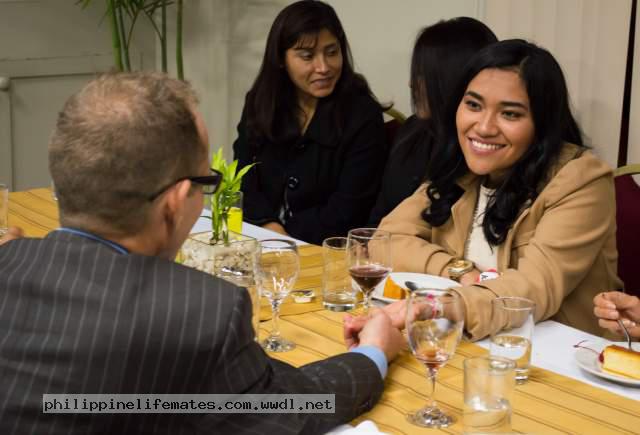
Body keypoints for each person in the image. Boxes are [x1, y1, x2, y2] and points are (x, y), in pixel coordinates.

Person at [0, 73, 403, 435]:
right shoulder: (201, 311)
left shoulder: (8, 264)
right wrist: (373, 352)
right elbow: (289, 409)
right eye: (205, 181)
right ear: (174, 204)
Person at [378, 39, 622, 340]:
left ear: (542, 124)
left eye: (510, 114)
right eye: (473, 105)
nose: (483, 127)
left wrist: (443, 307)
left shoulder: (582, 179)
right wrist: (458, 271)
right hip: (474, 343)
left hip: (557, 359)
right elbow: (385, 241)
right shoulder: (465, 167)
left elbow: (533, 288)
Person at [233, 0, 387, 245]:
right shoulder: (260, 101)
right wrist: (268, 227)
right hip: (259, 236)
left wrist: (283, 238)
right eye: (307, 56)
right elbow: (241, 176)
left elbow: (350, 207)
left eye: (332, 52)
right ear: (281, 59)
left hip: (323, 248)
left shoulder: (362, 115)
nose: (323, 67)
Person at [368, 17, 497, 226]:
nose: (411, 84)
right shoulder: (411, 131)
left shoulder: (482, 150)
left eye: (423, 76)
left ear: (451, 79)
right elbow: (380, 216)